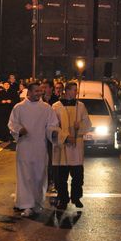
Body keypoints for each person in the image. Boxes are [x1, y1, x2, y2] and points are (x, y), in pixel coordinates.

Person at [8, 82, 60, 217]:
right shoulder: (19, 108)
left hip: (40, 147)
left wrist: (53, 132)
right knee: (26, 176)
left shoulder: (46, 108)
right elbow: (12, 123)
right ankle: (26, 204)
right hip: (25, 147)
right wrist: (20, 130)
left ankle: (37, 202)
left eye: (40, 91)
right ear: (29, 92)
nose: (39, 93)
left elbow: (52, 124)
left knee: (39, 175)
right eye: (36, 91)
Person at [51, 82, 92, 210]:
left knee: (78, 176)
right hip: (62, 147)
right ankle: (63, 199)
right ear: (67, 91)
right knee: (61, 178)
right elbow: (52, 126)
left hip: (76, 147)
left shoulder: (81, 106)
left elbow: (88, 123)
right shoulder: (56, 106)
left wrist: (79, 127)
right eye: (73, 90)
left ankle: (76, 197)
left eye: (76, 90)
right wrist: (65, 137)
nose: (75, 92)